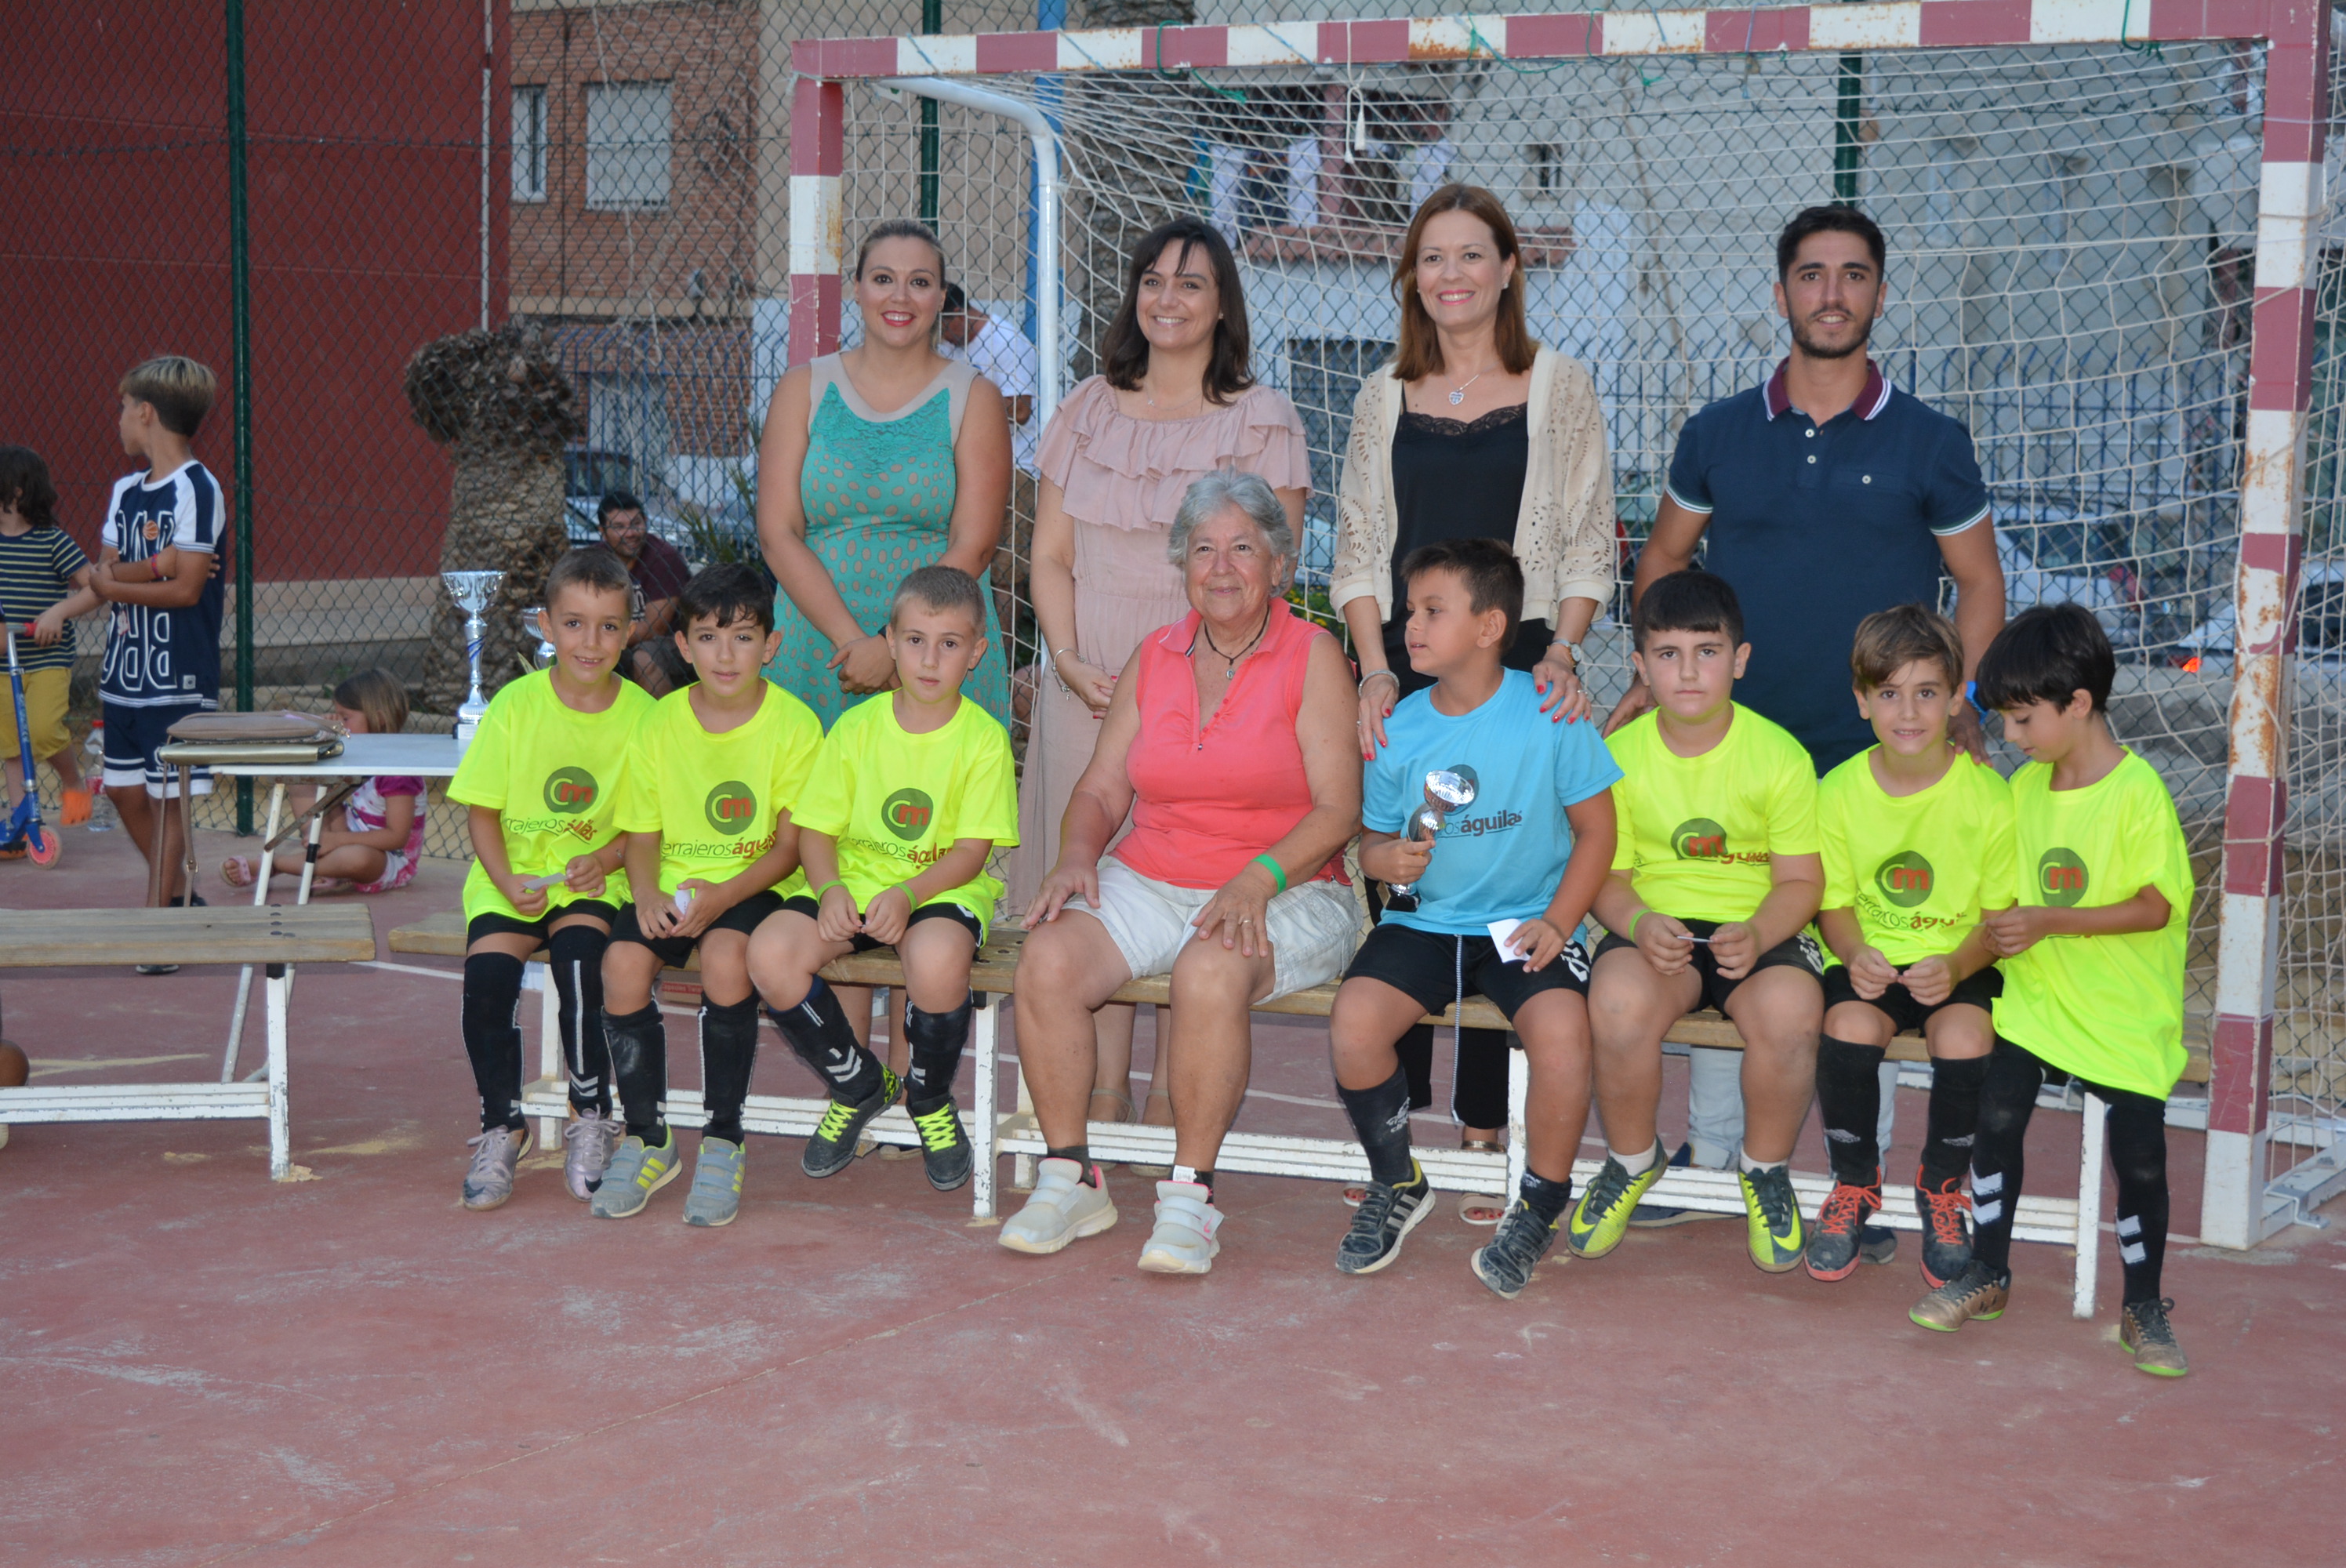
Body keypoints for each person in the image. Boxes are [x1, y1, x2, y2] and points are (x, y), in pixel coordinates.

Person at [1605, 205, 2003, 1212]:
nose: (1832, 293)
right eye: (1812, 274)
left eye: (1853, 274)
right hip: (1740, 746)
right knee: (1722, 922)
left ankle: (1852, 1183)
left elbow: (1979, 581)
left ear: (1880, 293)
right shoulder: (1717, 432)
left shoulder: (1930, 439)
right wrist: (1650, 672)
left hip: (1869, 755)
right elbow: (1663, 558)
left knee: (1867, 964)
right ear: (1781, 291)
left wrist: (1957, 696)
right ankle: (1712, 1158)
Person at [1332, 183, 1617, 1218]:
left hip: (1518, 656)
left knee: (1505, 866)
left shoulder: (1558, 384)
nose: (1450, 274)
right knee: (1415, 873)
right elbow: (1358, 544)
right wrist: (1375, 667)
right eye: (1432, 258)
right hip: (1407, 661)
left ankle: (1488, 1126)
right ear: (1412, 278)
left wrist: (1566, 651)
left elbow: (1586, 537)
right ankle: (1399, 1143)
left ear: (1507, 270)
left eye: (1470, 255)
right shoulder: (1380, 395)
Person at [1002, 471, 1360, 1276]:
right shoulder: (1155, 655)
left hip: (1293, 885)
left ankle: (1189, 1198)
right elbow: (1102, 788)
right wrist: (1076, 857)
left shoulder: (1312, 655)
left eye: (1243, 548)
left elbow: (1339, 810)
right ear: (1182, 565)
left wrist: (1258, 878)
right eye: (1203, 549)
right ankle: (1072, 1175)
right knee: (1048, 957)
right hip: (1156, 876)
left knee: (1210, 968)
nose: (1221, 567)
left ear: (1278, 564)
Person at [1015, 216, 1310, 1145]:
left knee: (1190, 878)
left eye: (1190, 282)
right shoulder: (1084, 410)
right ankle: (1100, 1095)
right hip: (1090, 675)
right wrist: (1065, 658)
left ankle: (1172, 1101)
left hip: (1208, 677)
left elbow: (1274, 567)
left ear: (1222, 303)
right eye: (1152, 279)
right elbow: (1049, 555)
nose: (1167, 298)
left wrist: (1201, 669)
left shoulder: (1263, 418)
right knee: (1097, 886)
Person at [1328, 539, 1619, 1298]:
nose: (1411, 626)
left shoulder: (1551, 710)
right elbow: (1374, 841)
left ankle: (1539, 1206)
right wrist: (1384, 860)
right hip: (1427, 924)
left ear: (1490, 627)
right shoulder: (1397, 726)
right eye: (1409, 611)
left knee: (1563, 1036)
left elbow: (1598, 832)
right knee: (1355, 1025)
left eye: (1433, 611)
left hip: (1525, 923)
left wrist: (1560, 921)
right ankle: (1398, 1180)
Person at [1912, 604, 2194, 1377]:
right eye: (2004, 718)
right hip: (2036, 1003)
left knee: (2140, 1159)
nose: (2010, 736)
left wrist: (2050, 920)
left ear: (2077, 703)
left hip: (2123, 1012)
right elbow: (2004, 908)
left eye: (2023, 718)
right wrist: (1963, 958)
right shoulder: (2024, 791)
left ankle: (2144, 1306)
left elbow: (2155, 906)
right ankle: (1987, 1271)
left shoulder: (2137, 792)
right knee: (1996, 1118)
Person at [1574, 571, 1825, 1274]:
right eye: (1668, 654)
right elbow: (1606, 879)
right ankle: (1632, 1160)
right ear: (1641, 665)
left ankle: (1764, 1169)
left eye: (1707, 652)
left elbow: (1802, 882)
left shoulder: (1780, 755)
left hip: (1756, 923)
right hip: (1658, 923)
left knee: (1792, 1012)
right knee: (1616, 1003)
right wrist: (1639, 921)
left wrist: (1762, 933)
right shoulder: (1617, 756)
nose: (1688, 672)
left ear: (1739, 660)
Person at [747, 565, 1019, 1193]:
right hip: (853, 884)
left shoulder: (983, 741)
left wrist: (908, 894)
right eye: (916, 640)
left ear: (976, 652)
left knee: (937, 959)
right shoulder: (855, 728)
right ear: (890, 641)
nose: (931, 659)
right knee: (769, 952)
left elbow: (971, 853)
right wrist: (830, 890)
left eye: (950, 644)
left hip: (938, 892)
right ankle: (858, 1081)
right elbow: (816, 832)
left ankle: (928, 1096)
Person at [592, 562, 823, 1229]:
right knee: (622, 963)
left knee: (726, 960)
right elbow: (641, 835)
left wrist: (722, 896)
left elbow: (788, 850)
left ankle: (723, 1137)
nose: (726, 655)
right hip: (671, 882)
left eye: (743, 638)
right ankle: (648, 1137)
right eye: (709, 638)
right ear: (683, 646)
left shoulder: (795, 725)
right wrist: (644, 895)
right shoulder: (659, 723)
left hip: (757, 882)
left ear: (771, 646)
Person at [445, 548, 653, 1211]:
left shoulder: (645, 717)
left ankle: (590, 1115)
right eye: (574, 624)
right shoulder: (514, 705)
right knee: (487, 982)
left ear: (629, 631)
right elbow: (482, 812)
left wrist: (609, 859)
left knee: (581, 964)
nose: (591, 642)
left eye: (609, 626)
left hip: (591, 885)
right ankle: (502, 1125)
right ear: (545, 625)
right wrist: (507, 880)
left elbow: (649, 826)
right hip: (512, 879)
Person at [1808, 605, 2010, 1287]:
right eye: (1890, 693)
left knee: (1966, 1038)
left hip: (1960, 958)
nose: (1909, 712)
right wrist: (1853, 952)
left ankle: (1942, 1186)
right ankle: (1854, 1182)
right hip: (1870, 956)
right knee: (1847, 1026)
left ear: (1956, 698)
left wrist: (1955, 964)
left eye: (1927, 692)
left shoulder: (1990, 797)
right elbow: (1833, 904)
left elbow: (1998, 920)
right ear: (1862, 700)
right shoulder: (1838, 791)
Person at [757, 220, 1013, 732]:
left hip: (936, 653)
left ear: (941, 297)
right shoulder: (802, 388)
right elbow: (777, 533)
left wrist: (893, 644)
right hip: (818, 647)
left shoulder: (975, 396)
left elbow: (976, 544)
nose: (900, 296)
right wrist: (854, 643)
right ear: (856, 288)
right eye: (882, 279)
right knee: (810, 785)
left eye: (919, 282)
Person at [88, 357, 227, 927]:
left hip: (178, 678)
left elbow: (188, 590)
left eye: (123, 408)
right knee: (124, 793)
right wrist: (154, 566)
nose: (119, 419)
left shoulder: (198, 487)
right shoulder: (125, 491)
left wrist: (118, 581)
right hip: (124, 675)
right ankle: (180, 895)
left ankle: (158, 925)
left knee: (168, 802)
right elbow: (105, 571)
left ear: (146, 413)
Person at [220, 670, 427, 895]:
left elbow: (396, 838)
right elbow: (326, 787)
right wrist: (326, 732)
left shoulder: (398, 772)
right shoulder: (356, 751)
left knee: (358, 858)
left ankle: (275, 865)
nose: (339, 722)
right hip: (348, 833)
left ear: (379, 719)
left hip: (388, 858)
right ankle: (324, 861)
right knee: (301, 780)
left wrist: (337, 841)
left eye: (345, 718)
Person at [0, 446, 99, 844]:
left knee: (41, 730)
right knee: (10, 743)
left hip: (46, 659)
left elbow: (96, 587)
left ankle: (73, 781)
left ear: (17, 490)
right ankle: (21, 824)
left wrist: (59, 612)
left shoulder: (52, 541)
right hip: (4, 661)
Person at [938, 283, 1039, 630]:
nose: (942, 338)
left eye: (942, 327)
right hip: (965, 466)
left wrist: (971, 410)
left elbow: (1022, 410)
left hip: (1016, 466)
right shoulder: (950, 348)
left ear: (958, 313)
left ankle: (1006, 648)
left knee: (1007, 568)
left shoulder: (1005, 340)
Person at [597, 490, 692, 693]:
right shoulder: (594, 560)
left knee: (644, 658)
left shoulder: (664, 558)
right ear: (602, 532)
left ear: (646, 522)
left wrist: (600, 640)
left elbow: (653, 628)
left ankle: (661, 714)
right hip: (615, 638)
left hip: (671, 641)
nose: (630, 533)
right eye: (619, 527)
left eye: (636, 523)